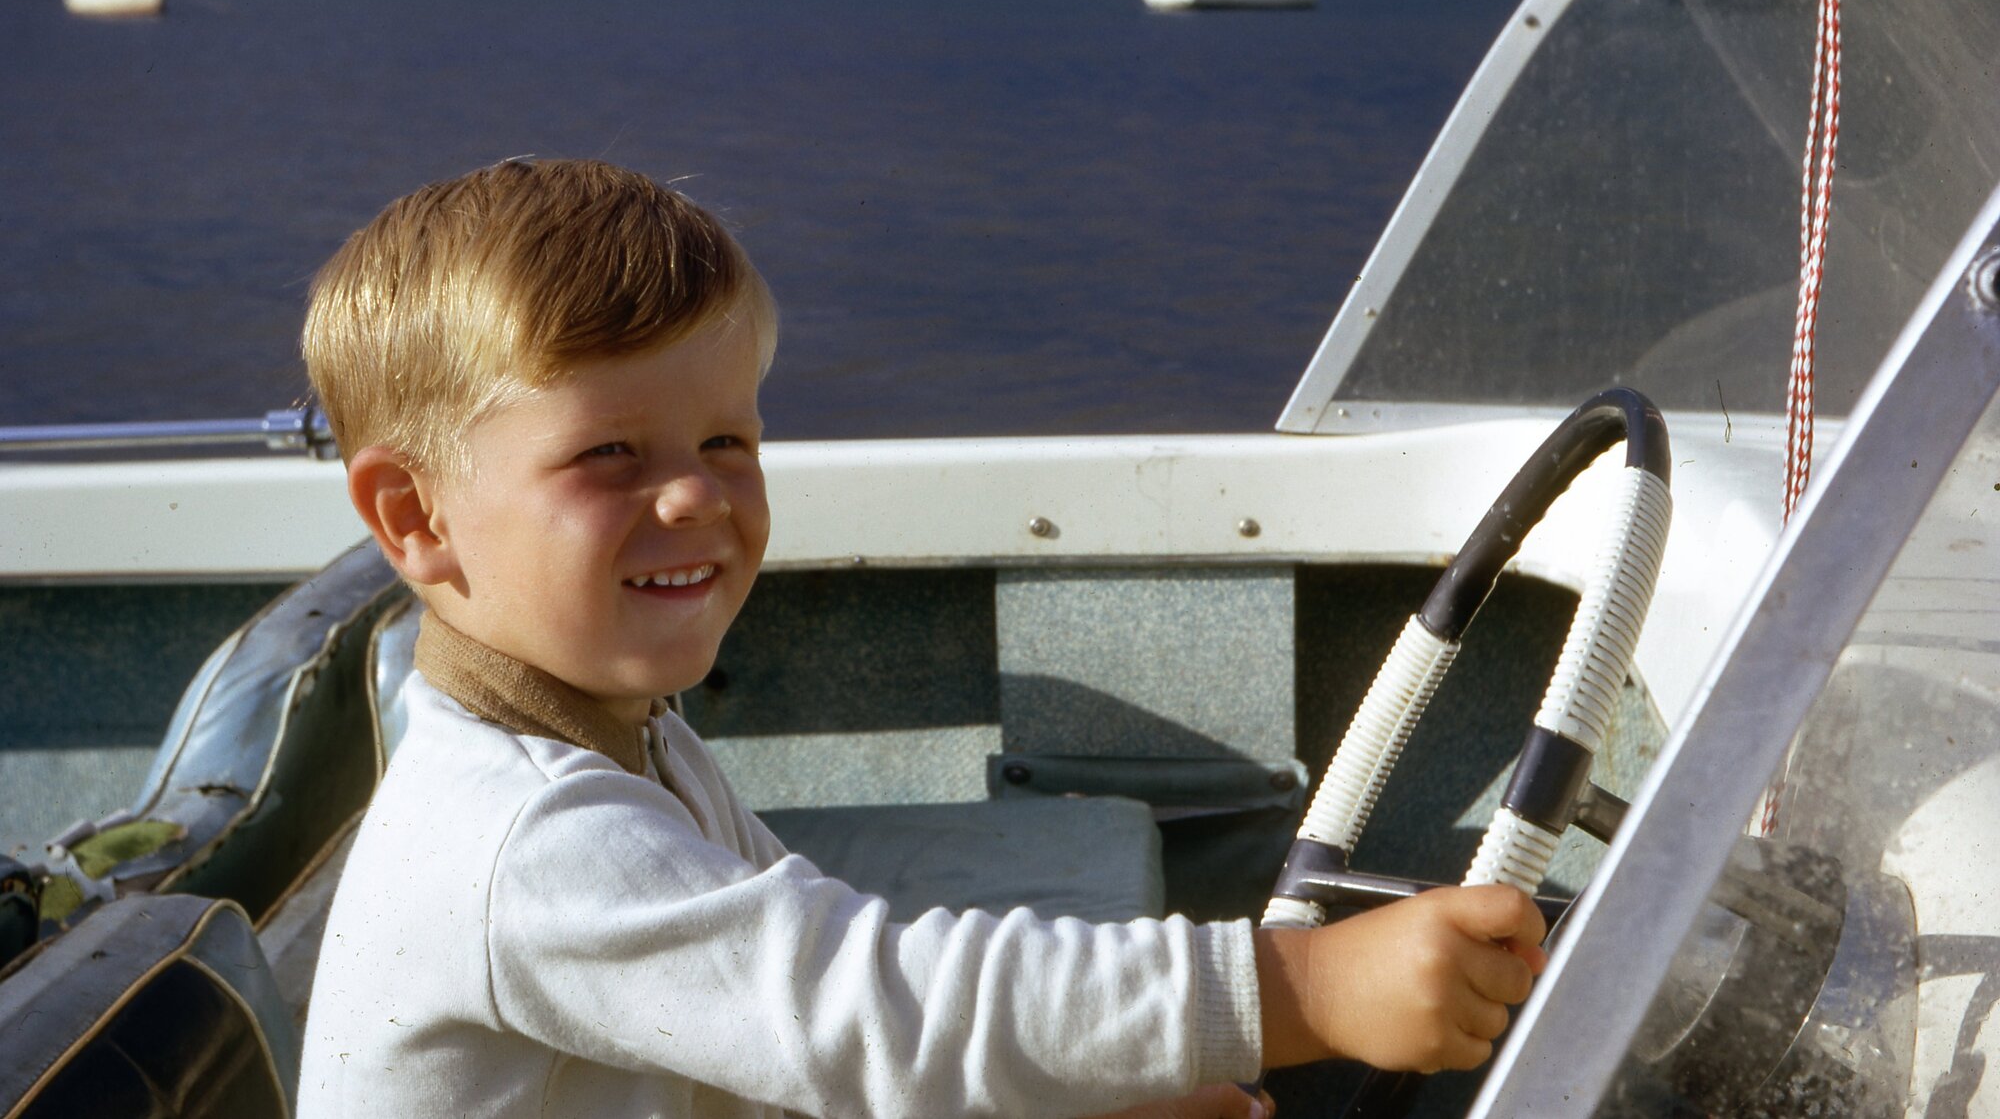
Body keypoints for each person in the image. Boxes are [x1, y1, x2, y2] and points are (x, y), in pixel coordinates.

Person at [297, 158, 1547, 1118]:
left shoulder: (629, 746)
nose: (695, 497)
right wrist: (1305, 992)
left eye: (727, 441)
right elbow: (865, 1009)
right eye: (608, 454)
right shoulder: (526, 842)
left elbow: (780, 1039)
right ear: (417, 517)